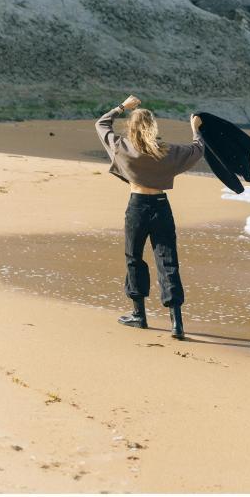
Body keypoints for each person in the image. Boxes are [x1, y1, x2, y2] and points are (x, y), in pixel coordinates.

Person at [94, 95, 204, 340]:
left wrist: (122, 107)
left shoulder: (123, 147)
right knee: (168, 261)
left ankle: (139, 316)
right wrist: (195, 130)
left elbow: (101, 124)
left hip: (137, 206)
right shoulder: (167, 151)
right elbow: (198, 150)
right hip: (161, 206)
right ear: (153, 127)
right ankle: (176, 323)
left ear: (131, 127)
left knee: (134, 258)